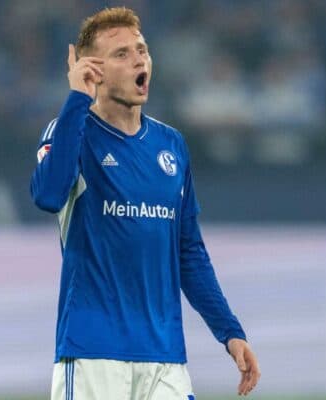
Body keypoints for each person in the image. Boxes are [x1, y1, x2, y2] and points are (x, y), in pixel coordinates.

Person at [30, 7, 260, 400]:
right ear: (93, 69)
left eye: (142, 49)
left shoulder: (171, 145)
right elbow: (48, 196)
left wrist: (229, 331)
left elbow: (188, 251)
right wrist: (75, 101)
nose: (139, 59)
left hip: (165, 359)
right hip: (93, 356)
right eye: (121, 54)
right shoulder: (71, 132)